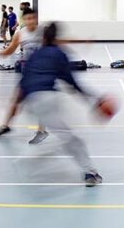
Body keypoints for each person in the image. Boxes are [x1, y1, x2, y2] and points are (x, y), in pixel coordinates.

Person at [19, 22, 105, 186]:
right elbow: (72, 83)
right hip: (48, 99)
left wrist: (17, 105)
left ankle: (85, 169)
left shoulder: (34, 55)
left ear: (43, 38)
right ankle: (90, 173)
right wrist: (93, 100)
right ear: (56, 38)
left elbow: (23, 83)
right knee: (71, 139)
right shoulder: (59, 54)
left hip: (31, 101)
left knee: (64, 134)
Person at [0, 8, 47, 144]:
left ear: (36, 19)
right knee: (16, 100)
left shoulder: (43, 32)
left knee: (41, 102)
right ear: (24, 20)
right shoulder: (20, 34)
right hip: (27, 72)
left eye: (33, 18)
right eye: (27, 19)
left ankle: (42, 130)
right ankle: (6, 126)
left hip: (42, 72)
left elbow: (53, 46)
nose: (30, 21)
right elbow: (10, 50)